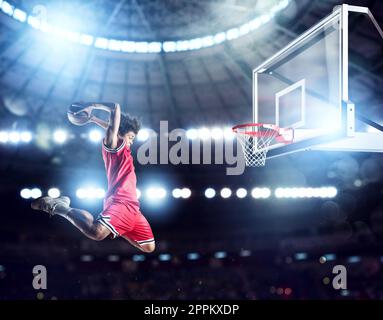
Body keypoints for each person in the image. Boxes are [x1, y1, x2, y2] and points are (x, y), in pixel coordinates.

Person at [31, 103, 155, 253]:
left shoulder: (124, 147)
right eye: (131, 137)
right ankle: (60, 206)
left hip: (133, 209)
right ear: (121, 133)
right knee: (96, 232)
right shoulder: (114, 146)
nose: (131, 141)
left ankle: (119, 228)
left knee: (148, 247)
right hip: (120, 202)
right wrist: (91, 105)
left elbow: (117, 130)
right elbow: (115, 109)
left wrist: (94, 119)